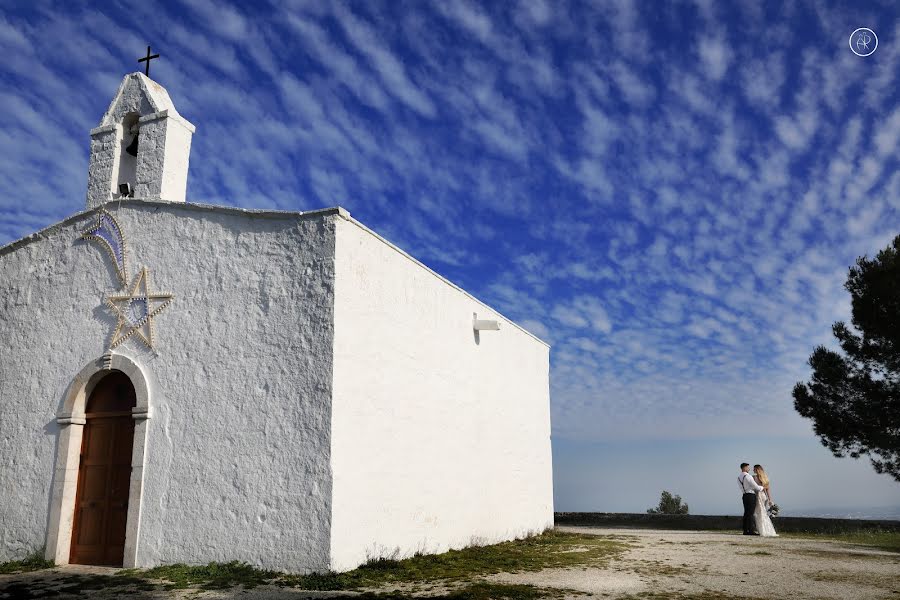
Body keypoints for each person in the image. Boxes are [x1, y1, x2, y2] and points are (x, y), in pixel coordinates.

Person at [752, 465, 778, 537]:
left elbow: (754, 488)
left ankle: (762, 529)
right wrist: (769, 499)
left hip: (758, 496)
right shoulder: (765, 478)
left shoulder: (754, 477)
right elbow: (767, 490)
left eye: (754, 469)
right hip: (764, 496)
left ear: (757, 470)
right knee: (762, 512)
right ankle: (764, 529)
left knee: (759, 513)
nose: (753, 470)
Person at [738, 462, 763, 535]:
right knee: (751, 514)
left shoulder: (739, 477)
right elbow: (756, 487)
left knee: (746, 513)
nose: (749, 469)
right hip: (751, 495)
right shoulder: (748, 476)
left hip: (744, 495)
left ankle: (745, 530)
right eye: (748, 467)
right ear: (744, 468)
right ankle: (751, 530)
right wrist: (762, 487)